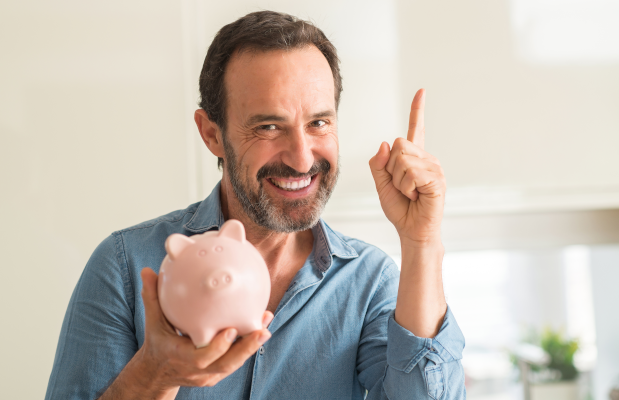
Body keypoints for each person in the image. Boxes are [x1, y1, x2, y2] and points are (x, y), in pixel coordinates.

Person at [45, 10, 465, 400]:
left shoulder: (368, 282)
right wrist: (155, 372)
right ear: (212, 133)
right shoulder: (125, 267)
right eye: (268, 126)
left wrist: (422, 242)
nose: (302, 158)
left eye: (319, 122)